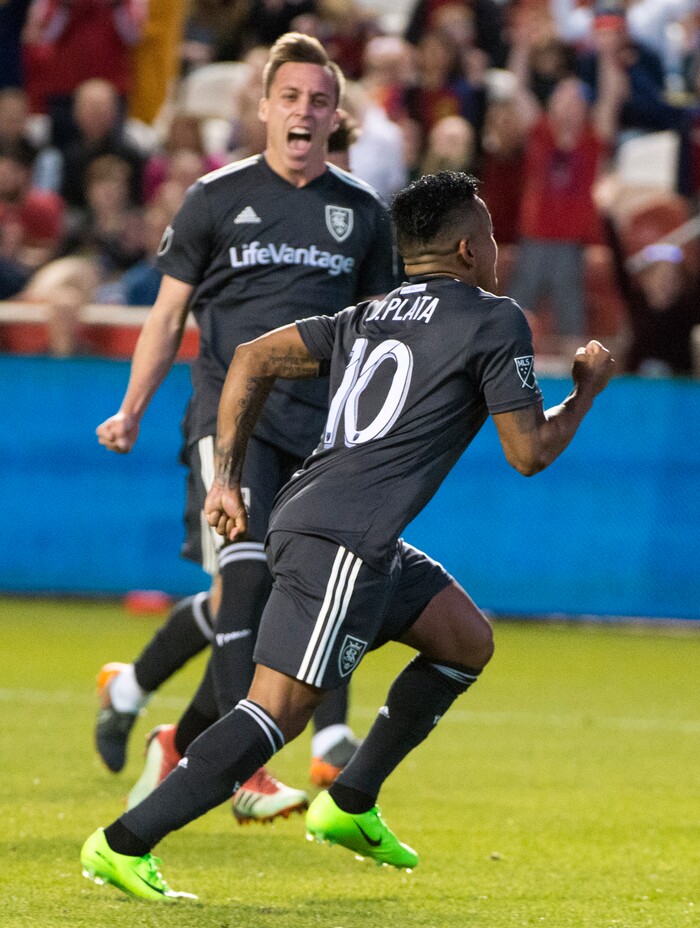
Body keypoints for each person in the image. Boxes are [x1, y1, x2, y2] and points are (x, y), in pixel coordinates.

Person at [80, 169, 615, 900]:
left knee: (464, 640)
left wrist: (227, 477)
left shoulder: (371, 312)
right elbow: (529, 454)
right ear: (467, 248)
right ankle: (123, 842)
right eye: (490, 234)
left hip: (340, 528)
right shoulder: (494, 319)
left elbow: (251, 357)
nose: (497, 249)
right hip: (343, 540)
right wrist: (584, 390)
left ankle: (351, 802)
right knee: (278, 712)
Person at [93, 33, 396, 822]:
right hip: (229, 423)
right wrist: (131, 409)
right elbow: (166, 319)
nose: (304, 111)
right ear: (263, 107)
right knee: (250, 580)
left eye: (319, 100)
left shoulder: (363, 216)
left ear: (335, 116)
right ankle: (244, 769)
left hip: (317, 437)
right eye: (290, 97)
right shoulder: (215, 199)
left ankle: (179, 740)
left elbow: (375, 340)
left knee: (270, 600)